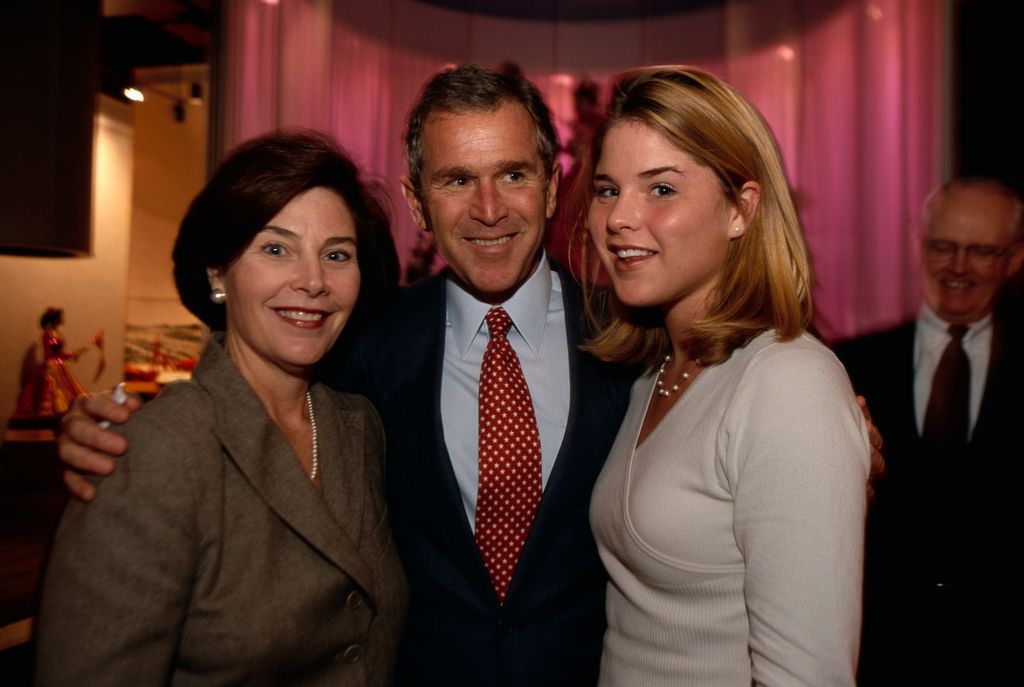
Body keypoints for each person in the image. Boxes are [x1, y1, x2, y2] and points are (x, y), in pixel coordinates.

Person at [57, 65, 636, 686]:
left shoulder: (636, 340)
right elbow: (246, 383)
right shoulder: (364, 348)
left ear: (551, 188)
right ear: (418, 202)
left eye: (513, 175)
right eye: (457, 180)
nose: (487, 209)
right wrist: (114, 431)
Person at [35, 129, 408, 685]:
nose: (312, 281)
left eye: (337, 254)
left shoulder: (358, 428)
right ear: (217, 274)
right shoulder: (152, 451)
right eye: (275, 248)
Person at [574, 66, 871, 685]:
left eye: (660, 189)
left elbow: (805, 675)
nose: (618, 218)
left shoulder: (788, 383)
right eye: (607, 189)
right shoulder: (654, 374)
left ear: (741, 209)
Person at [833, 177, 1024, 685]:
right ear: (918, 247)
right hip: (881, 657)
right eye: (943, 246)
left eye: (982, 251)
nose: (958, 267)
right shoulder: (844, 367)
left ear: (1014, 258)